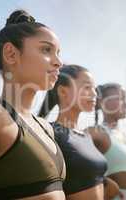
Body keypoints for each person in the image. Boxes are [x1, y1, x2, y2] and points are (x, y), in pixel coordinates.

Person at [0, 10, 66, 200]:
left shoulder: (45, 127)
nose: (59, 62)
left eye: (58, 53)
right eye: (46, 50)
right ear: (11, 54)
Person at [38, 65, 121, 200]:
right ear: (63, 92)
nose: (94, 94)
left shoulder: (85, 136)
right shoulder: (50, 132)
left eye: (94, 89)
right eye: (87, 87)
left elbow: (81, 173)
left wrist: (105, 182)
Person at [86, 83, 126, 200]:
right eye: (120, 98)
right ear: (102, 103)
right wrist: (104, 182)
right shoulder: (95, 133)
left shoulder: (125, 136)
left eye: (125, 99)